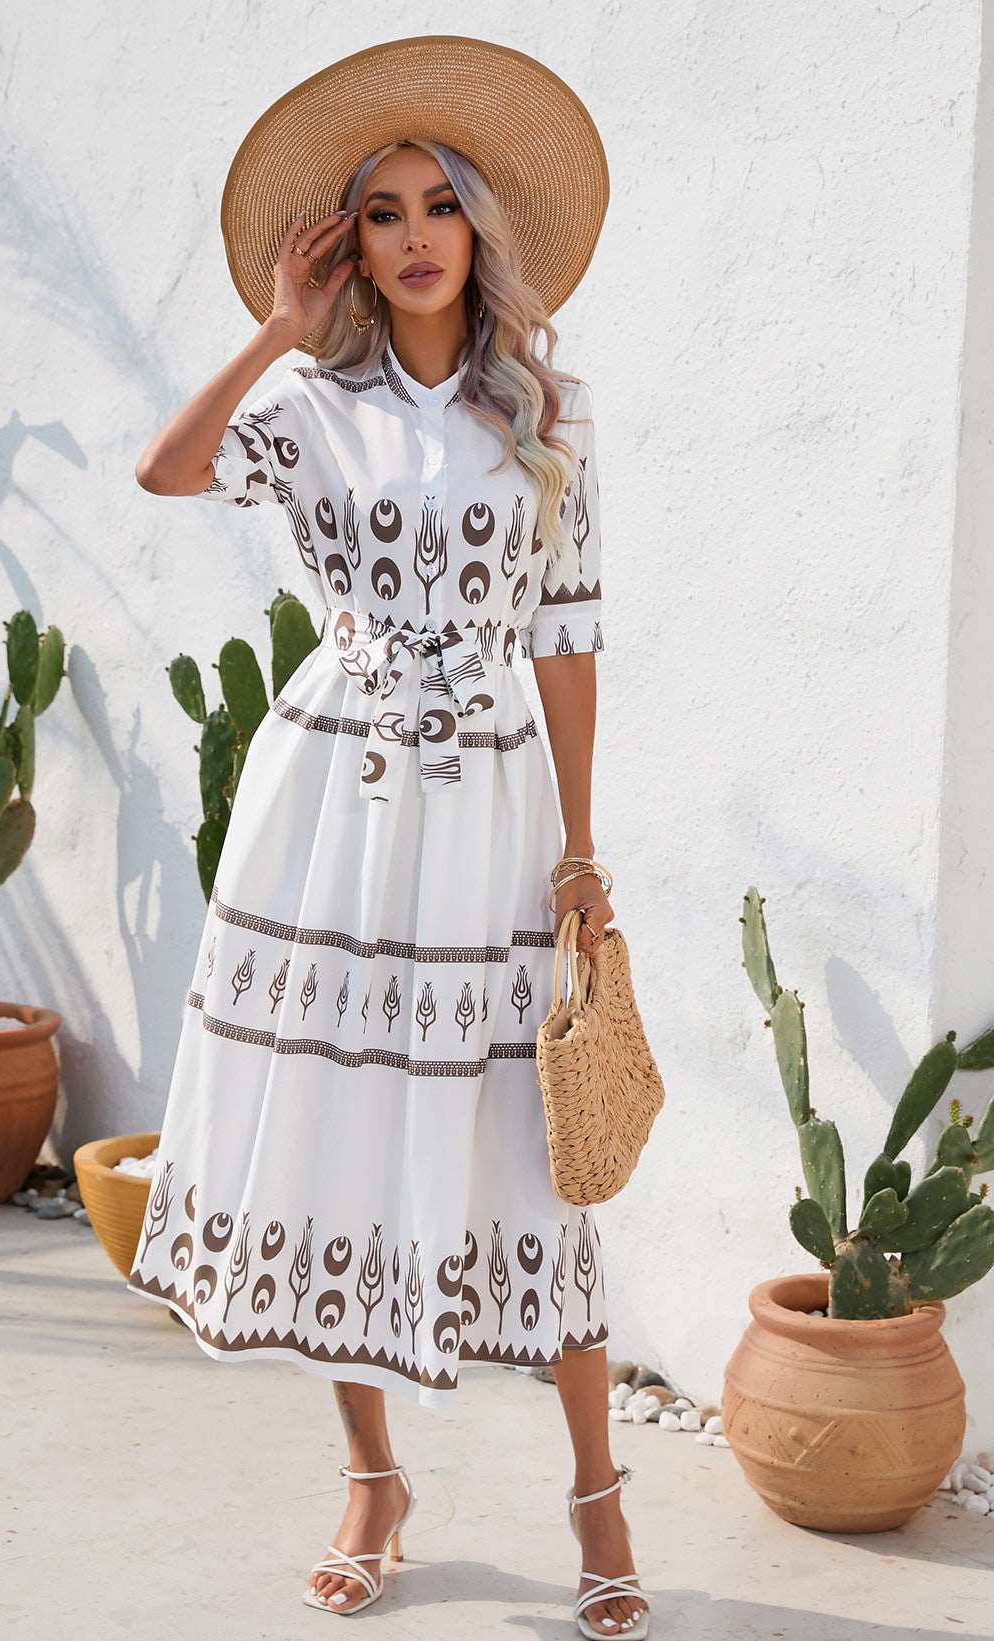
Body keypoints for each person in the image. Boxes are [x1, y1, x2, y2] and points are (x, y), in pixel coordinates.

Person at [128, 35, 648, 1640]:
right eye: (382, 211)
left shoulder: (543, 413)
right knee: (339, 1124)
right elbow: (169, 467)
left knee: (534, 1141)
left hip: (487, 803)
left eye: (441, 205)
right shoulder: (314, 402)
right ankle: (370, 1475)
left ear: (481, 232)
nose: (416, 233)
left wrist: (578, 849)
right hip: (328, 805)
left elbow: (565, 635)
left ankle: (597, 1493)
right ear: (345, 245)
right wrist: (272, 335)